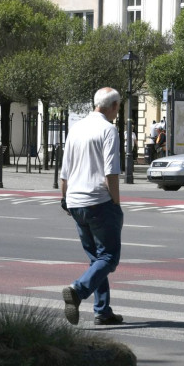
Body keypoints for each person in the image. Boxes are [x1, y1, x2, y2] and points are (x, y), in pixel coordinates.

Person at [60, 87, 124, 326]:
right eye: (118, 107)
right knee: (108, 257)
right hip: (99, 200)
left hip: (75, 201)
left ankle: (102, 310)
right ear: (114, 106)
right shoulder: (109, 130)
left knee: (96, 258)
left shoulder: (76, 128)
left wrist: (64, 198)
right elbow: (111, 172)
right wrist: (116, 202)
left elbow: (64, 170)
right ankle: (78, 289)